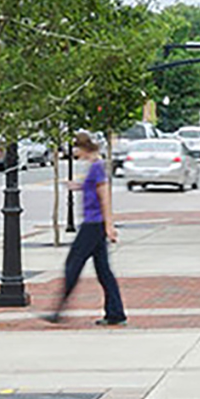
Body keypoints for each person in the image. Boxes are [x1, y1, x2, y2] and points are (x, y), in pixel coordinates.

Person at [48, 132, 126, 326]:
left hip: (94, 224)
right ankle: (115, 313)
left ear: (83, 148)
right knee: (103, 271)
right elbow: (93, 190)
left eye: (76, 148)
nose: (75, 152)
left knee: (72, 264)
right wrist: (79, 186)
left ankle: (58, 310)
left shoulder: (98, 167)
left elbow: (105, 197)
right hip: (94, 223)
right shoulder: (94, 166)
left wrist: (109, 225)